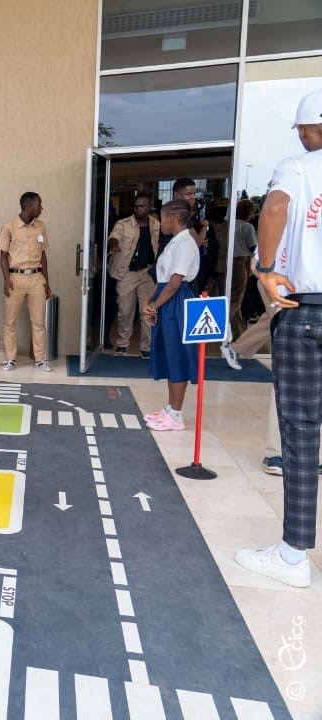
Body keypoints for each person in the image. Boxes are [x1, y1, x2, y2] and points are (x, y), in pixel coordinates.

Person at [236, 88, 322, 588]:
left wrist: (266, 269)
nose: (300, 136)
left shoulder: (300, 168)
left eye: (302, 128)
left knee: (302, 431)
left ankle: (293, 556)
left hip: (306, 310)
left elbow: (274, 209)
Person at [141, 200, 199, 432]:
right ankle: (170, 408)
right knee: (168, 352)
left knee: (177, 354)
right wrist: (150, 300)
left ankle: (176, 413)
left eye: (162, 217)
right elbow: (164, 279)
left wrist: (155, 305)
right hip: (166, 298)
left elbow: (175, 282)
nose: (160, 222)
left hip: (175, 302)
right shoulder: (175, 242)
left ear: (172, 218)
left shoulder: (185, 243)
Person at [0, 192, 52, 371]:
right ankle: (10, 359)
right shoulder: (9, 226)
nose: (41, 208)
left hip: (37, 278)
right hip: (15, 278)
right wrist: (7, 280)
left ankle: (40, 360)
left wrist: (46, 282)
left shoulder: (41, 227)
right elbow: (3, 256)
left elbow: (43, 255)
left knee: (39, 321)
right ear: (28, 205)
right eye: (39, 205)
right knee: (10, 321)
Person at [108, 193, 160, 359]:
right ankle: (123, 344)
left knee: (148, 311)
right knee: (125, 310)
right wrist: (114, 245)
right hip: (127, 273)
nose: (138, 209)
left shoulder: (156, 225)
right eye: (136, 206)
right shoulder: (123, 224)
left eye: (142, 206)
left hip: (147, 272)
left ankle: (147, 347)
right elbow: (114, 237)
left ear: (149, 207)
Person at [227, 199, 257, 341]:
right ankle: (224, 323)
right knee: (237, 299)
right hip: (240, 262)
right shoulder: (247, 227)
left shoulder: (230, 225)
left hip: (227, 262)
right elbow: (253, 248)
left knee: (232, 297)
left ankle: (240, 334)